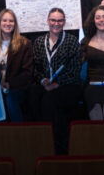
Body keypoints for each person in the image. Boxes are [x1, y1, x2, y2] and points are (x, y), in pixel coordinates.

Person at [29, 8, 82, 153]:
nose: (56, 24)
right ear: (48, 21)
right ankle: (40, 138)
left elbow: (75, 69)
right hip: (45, 83)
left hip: (67, 85)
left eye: (59, 21)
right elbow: (35, 67)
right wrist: (43, 80)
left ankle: (57, 144)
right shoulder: (39, 42)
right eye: (53, 20)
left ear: (64, 22)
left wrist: (56, 84)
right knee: (33, 95)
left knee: (49, 100)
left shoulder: (72, 41)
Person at [0, 9, 33, 122]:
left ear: (15, 24)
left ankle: (19, 131)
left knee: (10, 99)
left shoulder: (24, 44)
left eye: (11, 21)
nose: (8, 23)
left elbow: (27, 73)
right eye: (4, 20)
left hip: (16, 88)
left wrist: (10, 84)